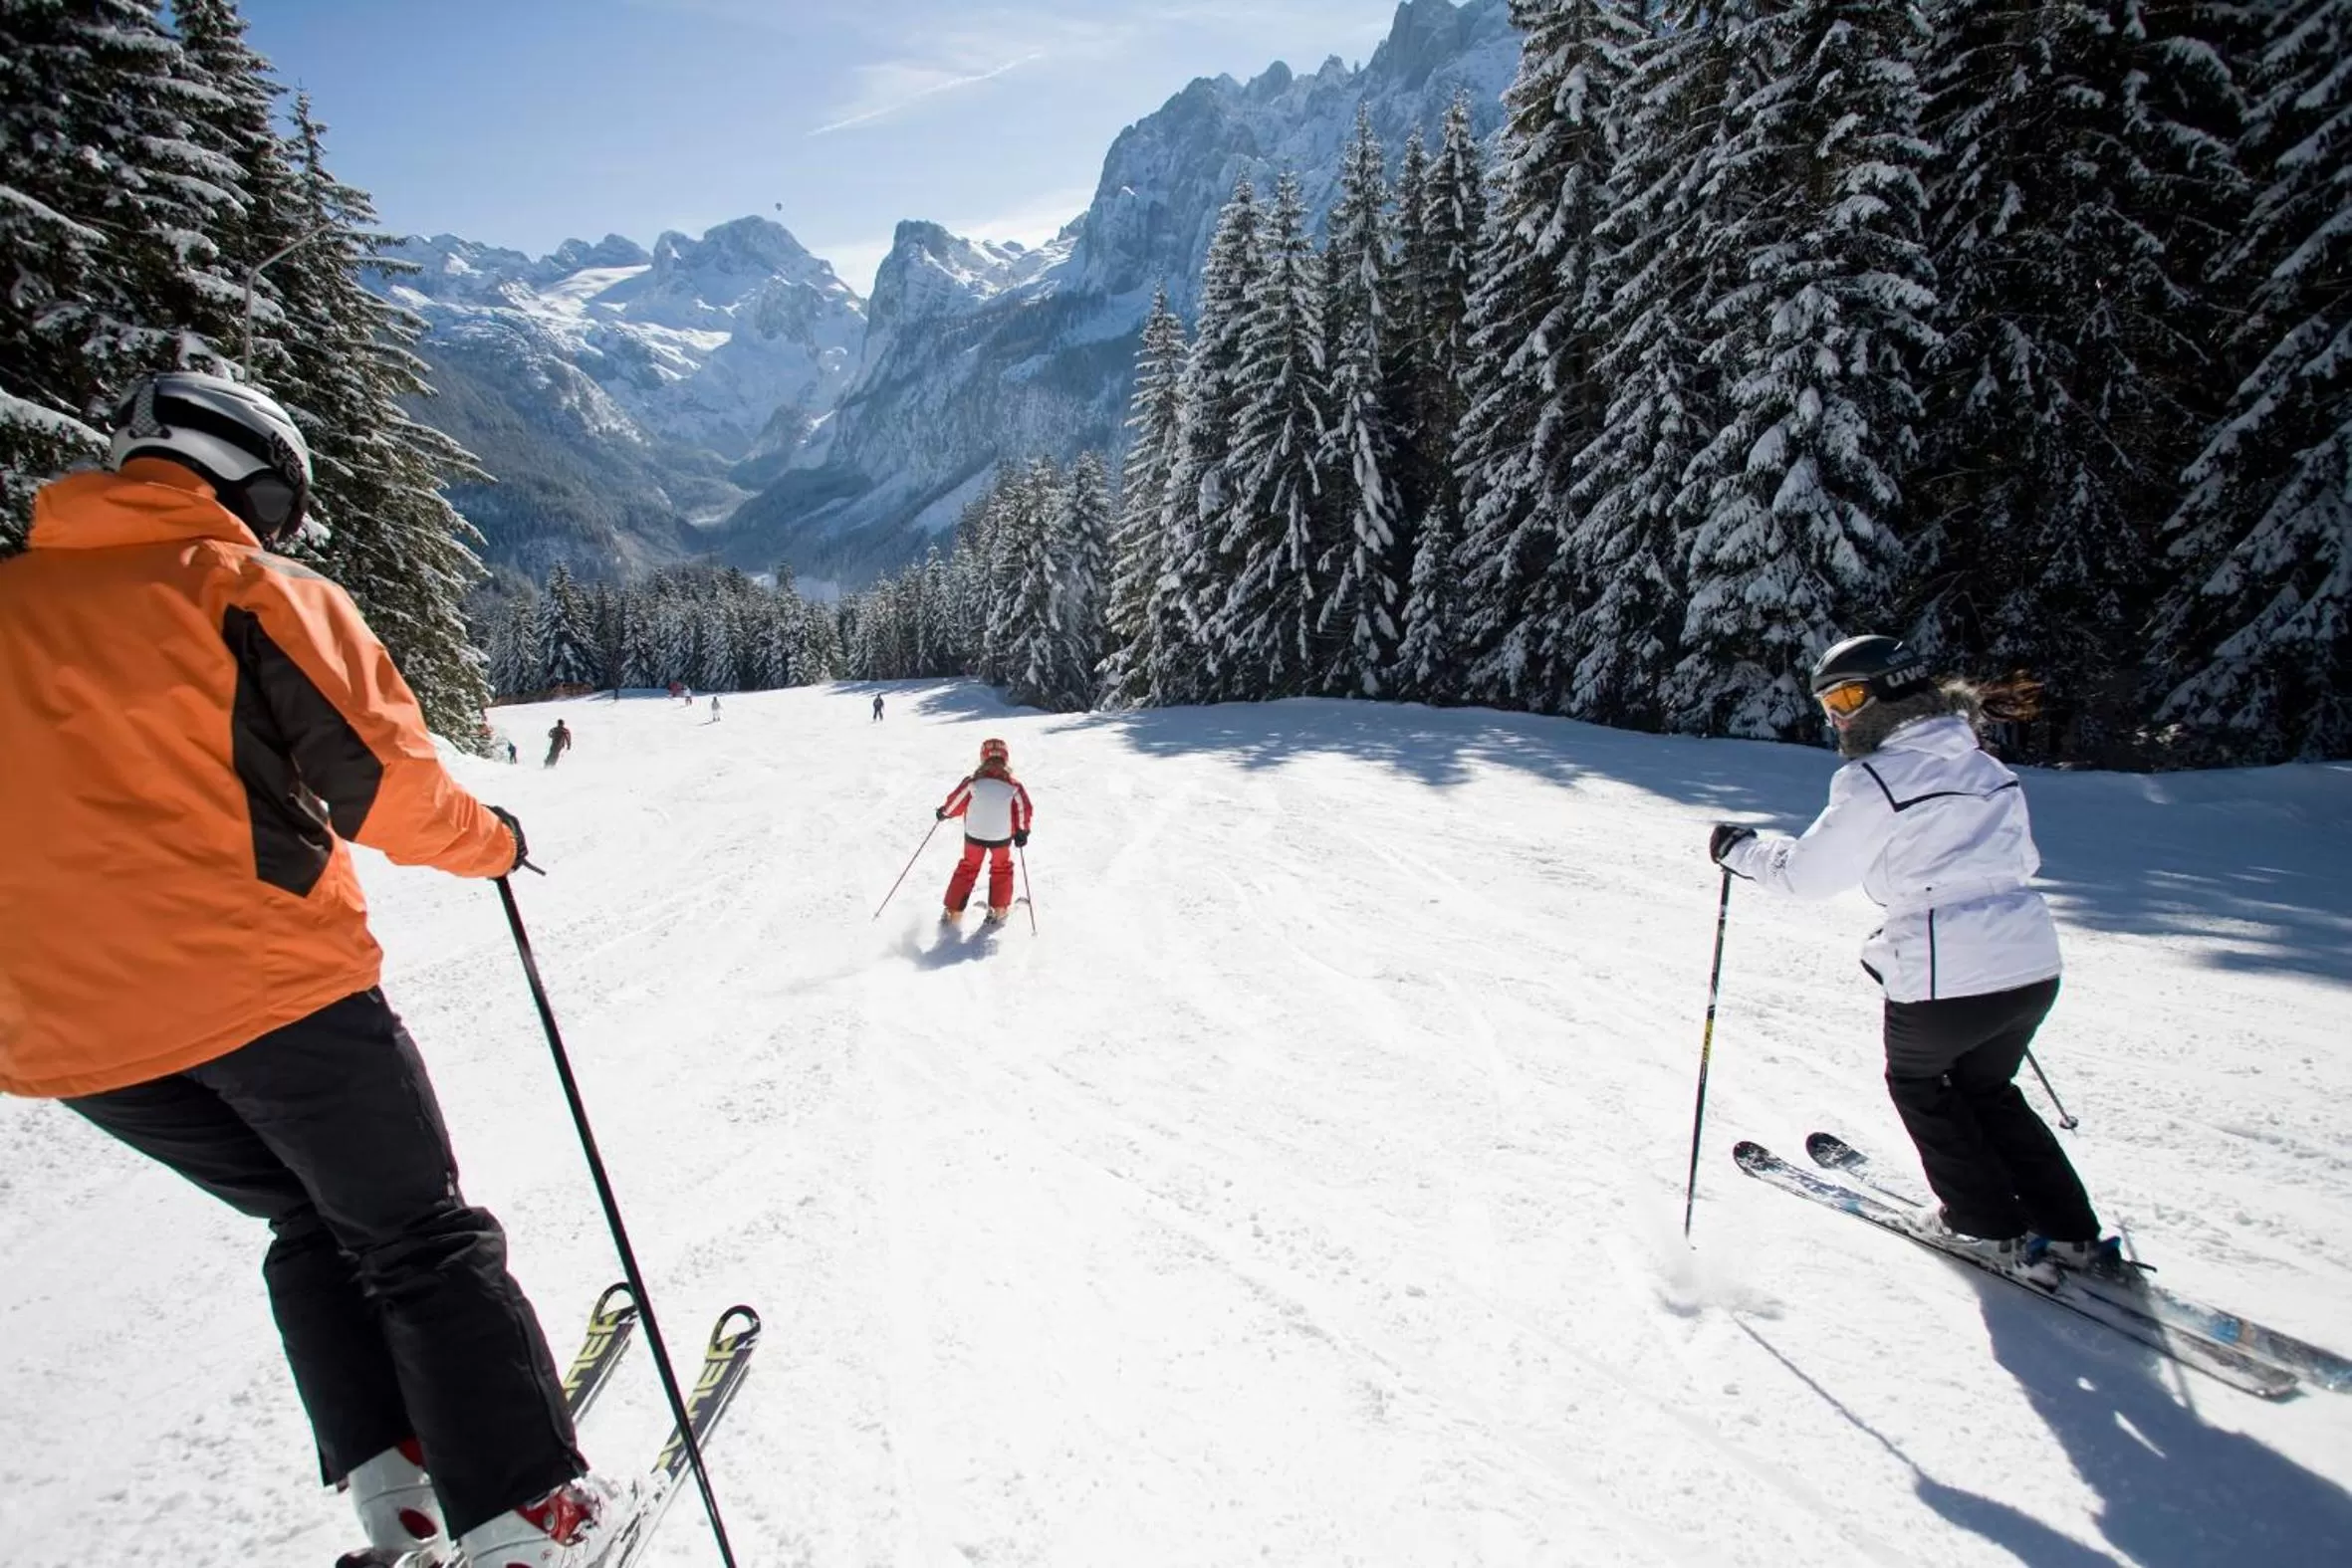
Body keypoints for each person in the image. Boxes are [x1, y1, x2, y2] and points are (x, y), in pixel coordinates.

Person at [0, 371, 626, 1568]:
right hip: (265, 991)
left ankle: (401, 1496)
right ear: (254, 477)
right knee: (419, 1240)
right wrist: (493, 840)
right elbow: (388, 791)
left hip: (60, 1037)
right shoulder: (245, 588)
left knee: (308, 1215)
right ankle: (532, 1520)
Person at [1708, 635, 2114, 1274]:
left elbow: (1809, 877)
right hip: (2030, 964)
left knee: (1922, 1084)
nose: (1836, 715)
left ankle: (1980, 1225)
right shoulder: (1983, 766)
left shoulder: (1873, 779)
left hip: (1945, 972)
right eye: (1827, 702)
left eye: (1844, 696)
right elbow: (2014, 859)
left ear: (1889, 693)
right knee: (1988, 1088)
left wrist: (1744, 852)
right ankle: (2069, 1229)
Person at [936, 737, 1034, 926]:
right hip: (1001, 837)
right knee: (1001, 868)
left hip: (975, 836)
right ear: (1005, 759)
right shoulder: (1013, 786)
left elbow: (955, 803)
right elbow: (1023, 810)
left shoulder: (973, 783)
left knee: (968, 868)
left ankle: (952, 911)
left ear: (983, 758)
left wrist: (944, 813)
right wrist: (1022, 831)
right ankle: (998, 910)